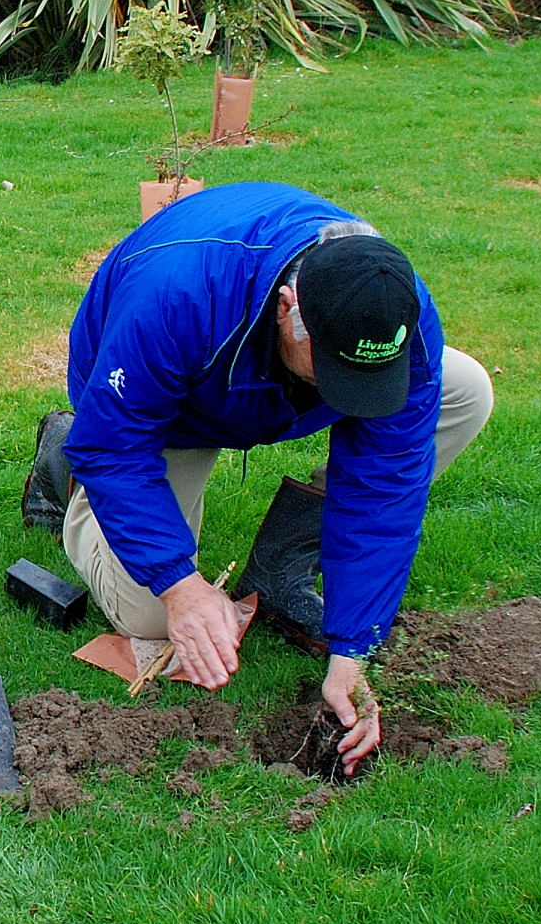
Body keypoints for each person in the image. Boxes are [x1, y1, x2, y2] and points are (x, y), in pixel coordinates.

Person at [24, 182, 493, 775]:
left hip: (253, 381)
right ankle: (65, 460)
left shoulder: (393, 309)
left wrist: (353, 650)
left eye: (358, 377)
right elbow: (117, 448)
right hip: (158, 406)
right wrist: (181, 586)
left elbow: (385, 488)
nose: (340, 390)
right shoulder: (175, 295)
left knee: (466, 390)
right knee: (149, 615)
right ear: (289, 305)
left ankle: (286, 555)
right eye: (331, 369)